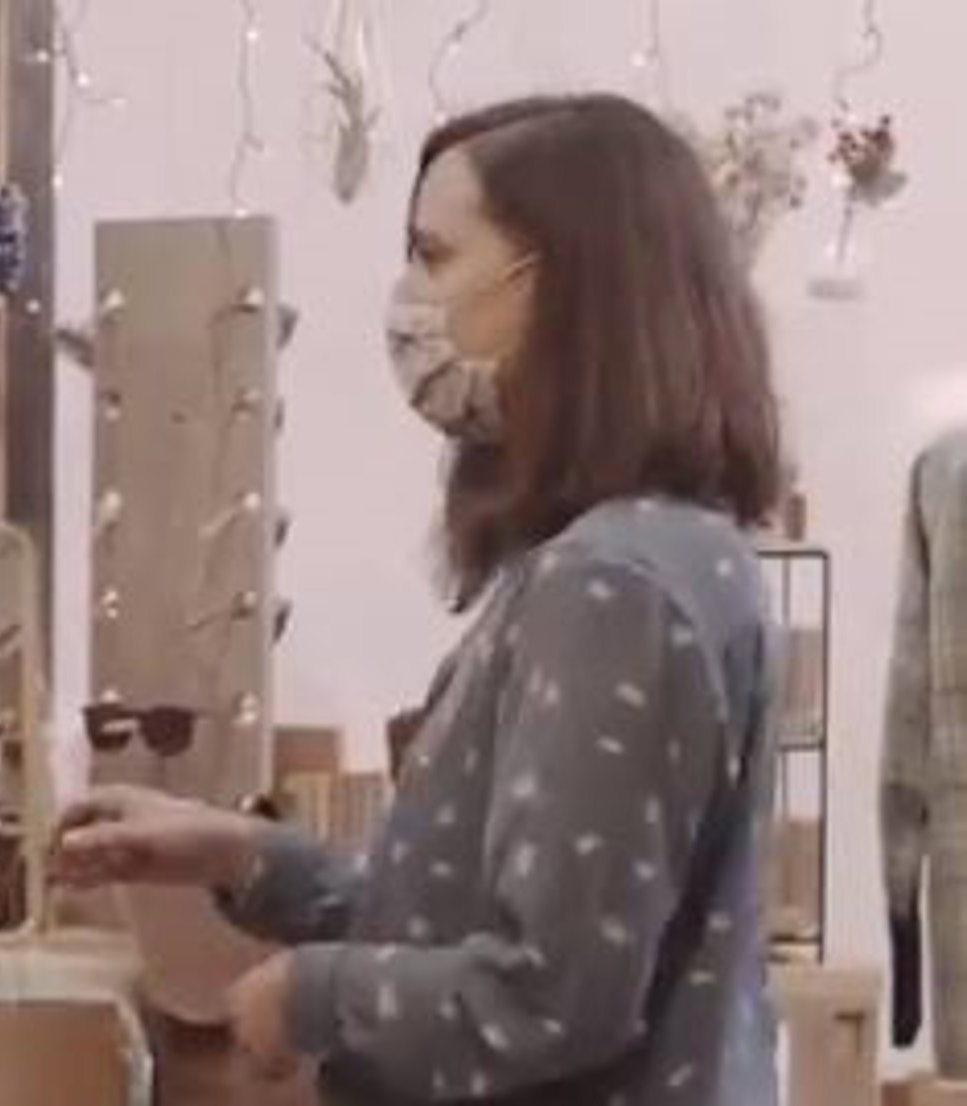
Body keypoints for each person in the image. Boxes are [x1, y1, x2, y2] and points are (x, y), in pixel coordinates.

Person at [54, 94, 784, 1106]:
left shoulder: (611, 585)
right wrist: (241, 852)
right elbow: (468, 915)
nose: (409, 300)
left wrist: (313, 997)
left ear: (564, 283)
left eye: (436, 258)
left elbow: (554, 991)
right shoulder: (671, 555)